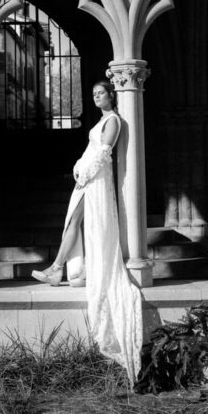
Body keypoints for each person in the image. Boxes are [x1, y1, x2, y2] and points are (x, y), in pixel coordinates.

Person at [32, 79, 143, 385]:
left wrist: (83, 171)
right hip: (87, 181)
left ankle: (56, 269)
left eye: (101, 93)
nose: (96, 97)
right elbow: (90, 149)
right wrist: (79, 166)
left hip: (96, 182)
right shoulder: (99, 121)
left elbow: (104, 152)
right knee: (72, 222)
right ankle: (59, 269)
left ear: (111, 95)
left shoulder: (114, 121)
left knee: (77, 223)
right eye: (93, 94)